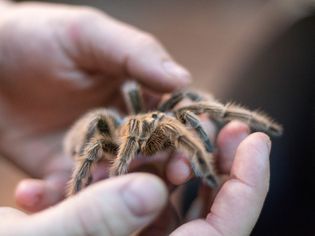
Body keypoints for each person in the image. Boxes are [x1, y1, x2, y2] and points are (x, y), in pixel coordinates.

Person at [0, 1, 272, 235]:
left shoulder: (163, 120)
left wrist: (207, 117)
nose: (157, 120)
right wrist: (118, 174)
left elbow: (192, 108)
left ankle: (209, 165)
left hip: (141, 133)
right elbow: (118, 122)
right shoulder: (115, 132)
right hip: (116, 141)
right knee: (98, 129)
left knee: (186, 108)